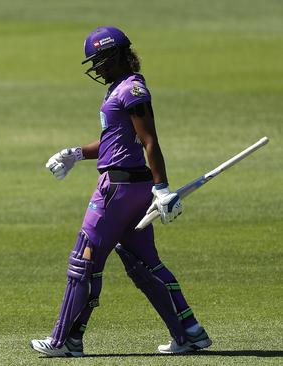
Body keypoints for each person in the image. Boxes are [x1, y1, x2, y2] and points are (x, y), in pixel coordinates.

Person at [29, 26, 212, 357]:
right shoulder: (121, 88)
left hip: (117, 191)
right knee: (144, 265)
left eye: (99, 60)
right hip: (130, 188)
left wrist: (163, 188)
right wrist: (75, 154)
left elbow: (149, 140)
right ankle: (189, 333)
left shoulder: (132, 90)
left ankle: (64, 341)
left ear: (115, 56)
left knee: (83, 261)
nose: (96, 68)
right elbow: (114, 141)